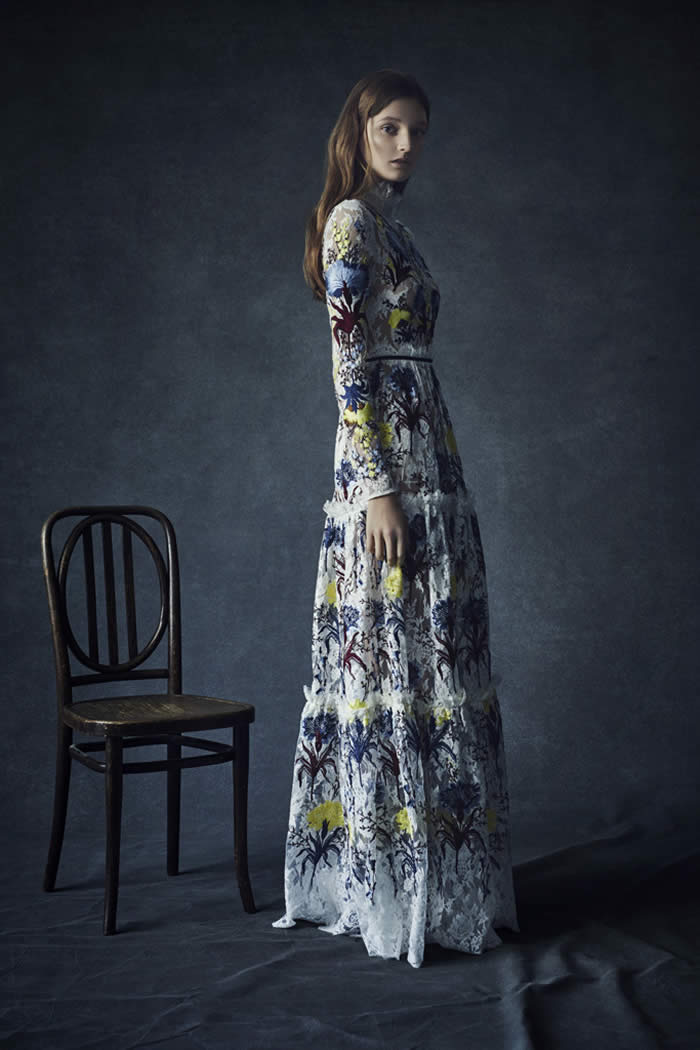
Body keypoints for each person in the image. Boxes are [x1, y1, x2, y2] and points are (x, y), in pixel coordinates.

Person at [272, 69, 519, 968]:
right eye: (390, 128)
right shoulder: (349, 222)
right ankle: (386, 885)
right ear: (359, 130)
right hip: (385, 464)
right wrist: (377, 487)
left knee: (434, 649)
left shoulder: (394, 229)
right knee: (388, 648)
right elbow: (348, 362)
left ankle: (440, 885)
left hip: (431, 452)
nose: (407, 144)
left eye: (417, 129)